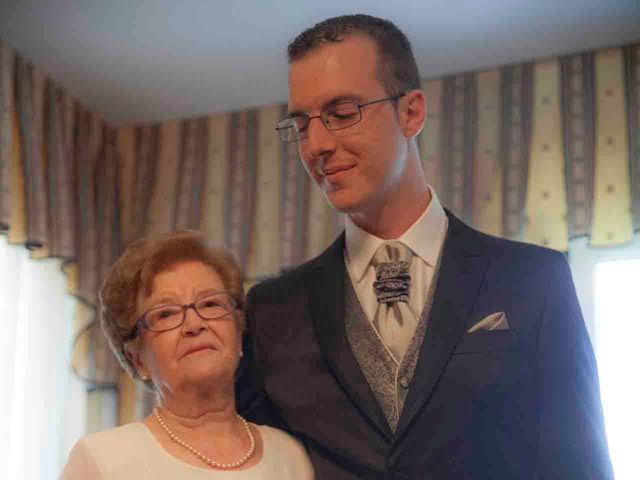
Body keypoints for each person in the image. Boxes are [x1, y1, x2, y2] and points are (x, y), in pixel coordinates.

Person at [236, 13, 614, 479]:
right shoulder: (272, 310)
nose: (316, 144)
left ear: (411, 112)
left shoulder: (533, 279)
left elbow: (579, 465)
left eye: (341, 114)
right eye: (302, 123)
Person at [61, 231, 314, 479]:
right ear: (136, 359)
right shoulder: (101, 460)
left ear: (238, 333)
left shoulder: (289, 456)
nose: (194, 324)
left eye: (210, 304)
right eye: (166, 314)